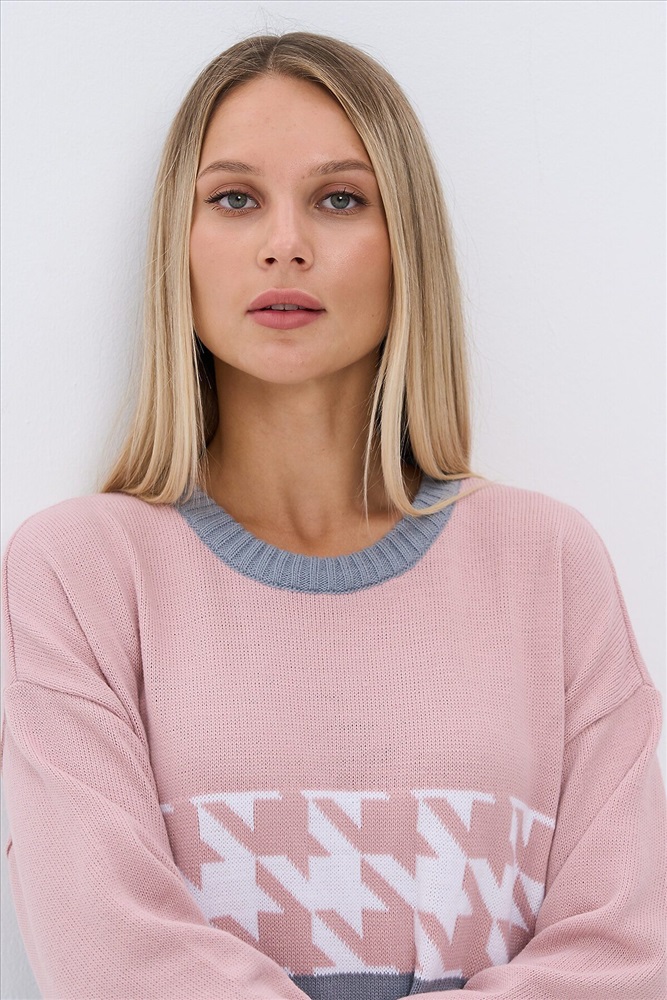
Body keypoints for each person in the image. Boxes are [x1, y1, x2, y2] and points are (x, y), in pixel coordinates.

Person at [1, 31, 664, 1000]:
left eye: (339, 199)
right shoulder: (80, 571)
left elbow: (626, 949)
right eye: (234, 199)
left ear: (406, 245)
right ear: (178, 246)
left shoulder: (547, 562)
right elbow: (106, 945)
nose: (285, 244)